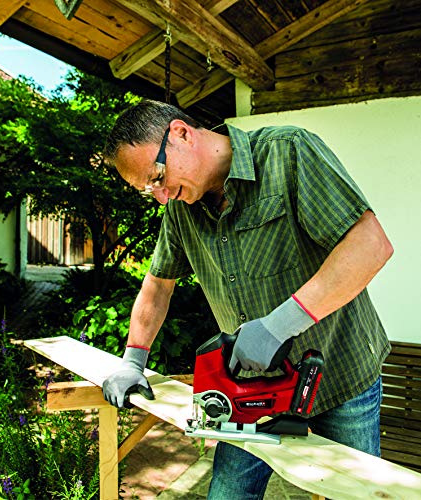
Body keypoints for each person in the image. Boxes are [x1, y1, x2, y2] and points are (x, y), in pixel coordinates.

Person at [102, 99, 394, 499]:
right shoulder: (182, 208)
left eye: (158, 176)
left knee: (356, 494)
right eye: (147, 190)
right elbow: (157, 286)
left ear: (181, 134)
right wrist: (133, 360)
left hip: (339, 376)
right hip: (251, 391)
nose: (162, 196)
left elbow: (370, 245)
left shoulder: (287, 152)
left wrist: (279, 326)